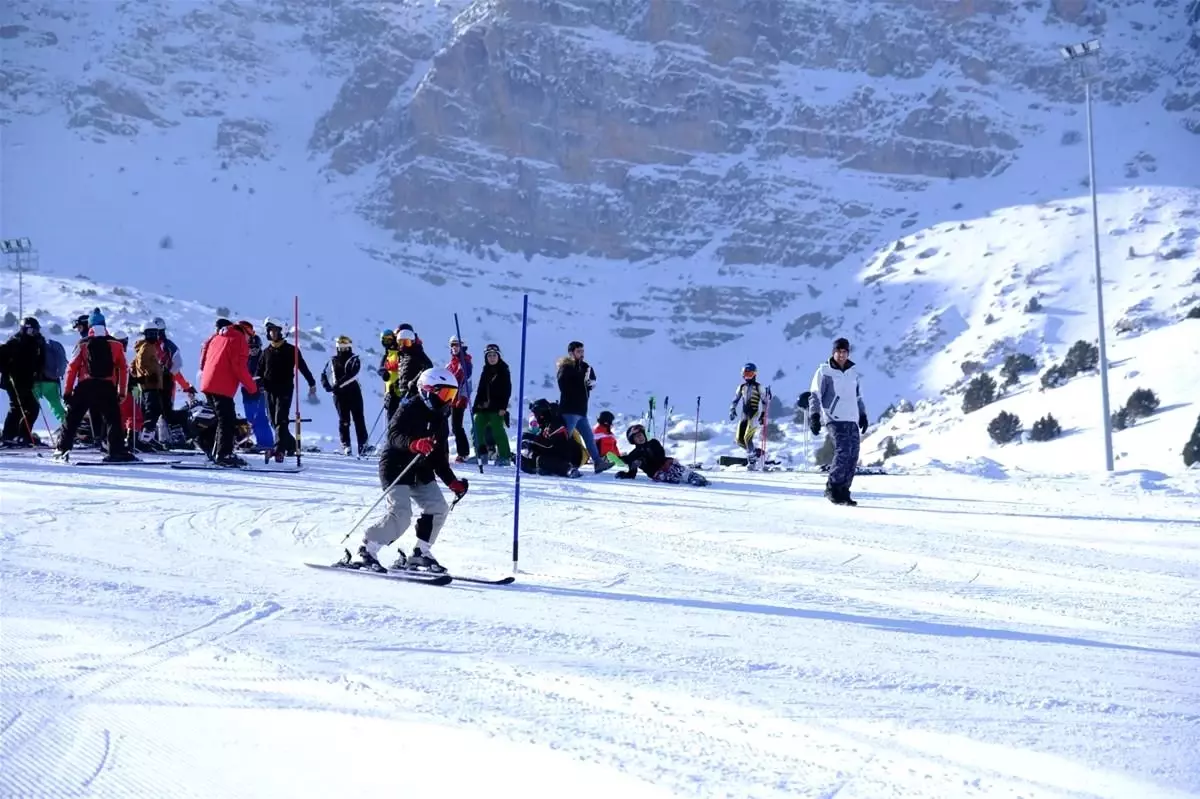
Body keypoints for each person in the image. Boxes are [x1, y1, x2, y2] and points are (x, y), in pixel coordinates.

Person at [342, 367, 468, 574]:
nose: (448, 401)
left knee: (438, 508)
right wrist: (413, 444)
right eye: (445, 394)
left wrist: (452, 482)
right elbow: (393, 436)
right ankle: (367, 548)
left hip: (421, 469)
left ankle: (420, 553)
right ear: (428, 390)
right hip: (396, 466)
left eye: (452, 395)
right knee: (401, 514)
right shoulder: (409, 408)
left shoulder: (440, 419)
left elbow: (439, 458)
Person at [55, 309, 134, 462]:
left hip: (85, 385)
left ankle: (62, 449)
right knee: (113, 419)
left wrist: (67, 392)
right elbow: (124, 368)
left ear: (89, 325)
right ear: (104, 325)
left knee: (73, 418)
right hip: (107, 386)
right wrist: (122, 391)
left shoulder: (82, 344)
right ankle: (116, 451)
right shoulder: (116, 344)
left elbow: (72, 368)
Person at [807, 337, 869, 506]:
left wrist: (862, 414)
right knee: (843, 451)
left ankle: (844, 490)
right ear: (833, 352)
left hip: (852, 418)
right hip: (834, 417)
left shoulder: (853, 372)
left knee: (853, 455)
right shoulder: (824, 371)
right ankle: (832, 488)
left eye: (844, 352)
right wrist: (814, 416)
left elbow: (858, 396)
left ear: (848, 353)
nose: (841, 355)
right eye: (838, 352)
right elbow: (815, 395)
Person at [199, 317, 259, 466]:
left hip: (208, 383)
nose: (249, 341)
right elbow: (239, 367)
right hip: (222, 386)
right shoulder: (239, 339)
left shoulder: (217, 337)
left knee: (219, 420)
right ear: (247, 332)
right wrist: (252, 387)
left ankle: (215, 451)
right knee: (227, 421)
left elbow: (203, 360)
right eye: (249, 337)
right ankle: (224, 454)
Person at [255, 317, 317, 456]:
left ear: (282, 332)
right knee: (273, 421)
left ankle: (279, 449)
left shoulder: (291, 350)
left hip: (285, 390)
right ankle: (292, 445)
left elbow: (303, 367)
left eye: (276, 331)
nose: (273, 334)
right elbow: (258, 372)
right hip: (269, 390)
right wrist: (258, 384)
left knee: (280, 419)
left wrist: (311, 383)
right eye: (270, 331)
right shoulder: (265, 352)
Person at [555, 340, 611, 473]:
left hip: (581, 410)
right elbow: (563, 386)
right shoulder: (566, 368)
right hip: (569, 409)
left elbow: (590, 382)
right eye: (578, 351)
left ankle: (598, 462)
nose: (581, 354)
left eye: (582, 351)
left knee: (589, 438)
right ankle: (562, 463)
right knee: (566, 438)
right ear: (571, 353)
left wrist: (590, 383)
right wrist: (581, 379)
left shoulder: (585, 366)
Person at [320, 335, 369, 456]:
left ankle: (363, 445)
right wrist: (327, 386)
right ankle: (346, 444)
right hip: (339, 395)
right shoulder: (332, 360)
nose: (342, 350)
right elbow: (324, 374)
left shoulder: (354, 359)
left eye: (344, 348)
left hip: (354, 392)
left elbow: (353, 374)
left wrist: (338, 385)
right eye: (340, 348)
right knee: (344, 420)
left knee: (359, 419)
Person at [614, 422, 708, 486]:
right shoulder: (634, 454)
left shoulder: (653, 443)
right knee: (669, 478)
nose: (640, 438)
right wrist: (625, 472)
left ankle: (693, 477)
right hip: (656, 472)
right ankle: (678, 478)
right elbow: (630, 466)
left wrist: (647, 455)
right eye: (636, 437)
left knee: (677, 469)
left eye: (641, 435)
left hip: (665, 463)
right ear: (633, 440)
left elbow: (660, 455)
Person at [0, 317, 45, 445]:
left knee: (33, 408)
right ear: (24, 329)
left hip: (27, 381)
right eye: (31, 331)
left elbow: (38, 362)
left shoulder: (36, 343)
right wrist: (7, 370)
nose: (33, 333)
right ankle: (8, 436)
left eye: (35, 331)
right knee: (17, 407)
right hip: (13, 381)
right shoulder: (15, 342)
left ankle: (24, 435)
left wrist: (38, 374)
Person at [520, 398, 584, 478]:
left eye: (536, 414)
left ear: (541, 413)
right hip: (555, 454)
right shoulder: (546, 424)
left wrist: (531, 438)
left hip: (569, 457)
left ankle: (569, 470)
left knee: (542, 460)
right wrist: (530, 445)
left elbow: (548, 444)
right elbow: (542, 443)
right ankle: (539, 468)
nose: (536, 418)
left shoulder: (556, 424)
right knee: (527, 458)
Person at [471, 343, 512, 466]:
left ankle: (505, 456)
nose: (492, 358)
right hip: (483, 407)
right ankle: (481, 454)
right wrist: (475, 406)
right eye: (489, 356)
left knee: (497, 429)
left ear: (499, 356)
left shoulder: (504, 370)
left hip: (497, 407)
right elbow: (480, 390)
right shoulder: (485, 370)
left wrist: (503, 407)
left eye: (494, 355)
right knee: (476, 426)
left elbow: (507, 390)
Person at [239, 321, 273, 451]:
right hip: (246, 392)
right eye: (250, 347)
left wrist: (262, 383)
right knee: (250, 418)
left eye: (255, 348)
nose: (253, 350)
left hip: (259, 391)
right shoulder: (244, 358)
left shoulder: (263, 357)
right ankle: (254, 441)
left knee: (259, 417)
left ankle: (266, 443)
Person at [729, 362, 767, 469]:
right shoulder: (741, 387)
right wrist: (732, 409)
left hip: (754, 414)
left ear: (754, 374)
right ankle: (756, 453)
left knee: (747, 438)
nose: (747, 376)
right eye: (745, 374)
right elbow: (735, 399)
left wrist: (763, 415)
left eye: (749, 374)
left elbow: (765, 401)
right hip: (744, 415)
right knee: (739, 440)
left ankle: (752, 462)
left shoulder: (759, 387)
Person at [32, 322, 68, 427]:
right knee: (56, 406)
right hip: (51, 381)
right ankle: (69, 428)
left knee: (29, 407)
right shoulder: (54, 345)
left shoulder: (33, 344)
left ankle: (23, 432)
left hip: (35, 382)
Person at [445, 335, 473, 463]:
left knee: (457, 426)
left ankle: (463, 453)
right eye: (452, 345)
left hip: (459, 398)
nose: (454, 348)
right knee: (442, 424)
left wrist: (463, 398)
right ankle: (442, 451)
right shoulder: (451, 364)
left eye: (457, 345)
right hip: (448, 398)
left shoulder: (465, 362)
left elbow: (466, 376)